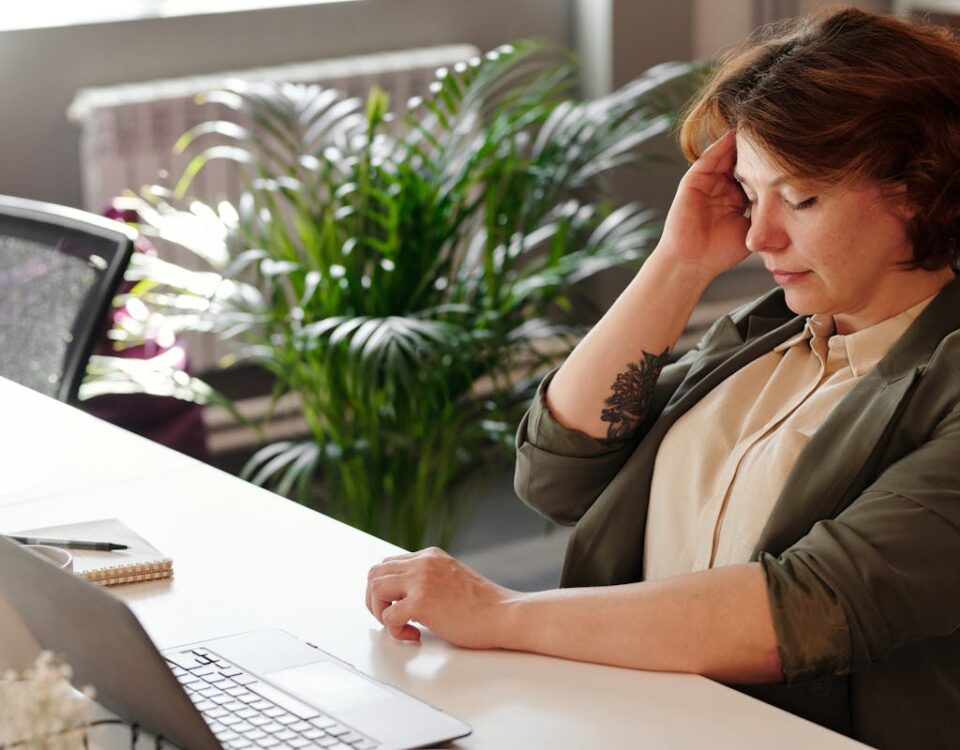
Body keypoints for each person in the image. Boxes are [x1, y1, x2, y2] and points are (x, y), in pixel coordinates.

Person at [365, 7, 960, 747]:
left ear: (921, 187)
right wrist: (677, 263)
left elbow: (810, 606)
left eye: (800, 198)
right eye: (750, 192)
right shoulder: (770, 333)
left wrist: (498, 614)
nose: (757, 235)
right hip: (621, 716)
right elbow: (558, 476)